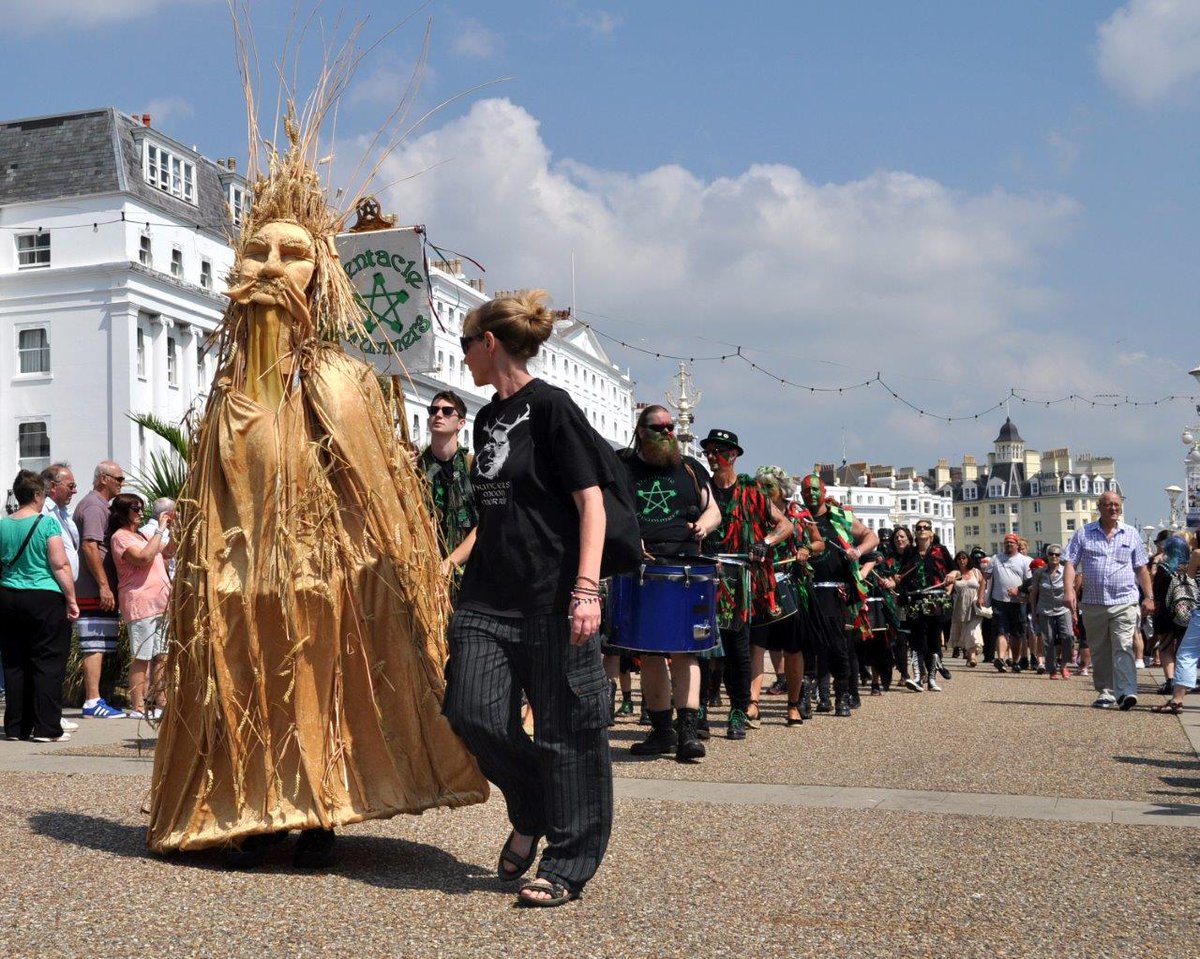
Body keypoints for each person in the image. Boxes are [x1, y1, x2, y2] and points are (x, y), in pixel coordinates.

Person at [147, 111, 488, 868]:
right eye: (257, 250)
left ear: (320, 270)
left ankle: (315, 808)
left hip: (313, 573)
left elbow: (375, 496)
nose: (270, 266)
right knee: (244, 684)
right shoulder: (228, 390)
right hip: (235, 580)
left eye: (292, 253)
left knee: (306, 683)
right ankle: (248, 807)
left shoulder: (338, 380)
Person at [443, 288, 613, 908]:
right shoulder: (486, 418)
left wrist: (586, 590)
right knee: (471, 712)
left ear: (490, 343)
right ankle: (535, 803)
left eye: (466, 344)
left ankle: (568, 863)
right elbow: (494, 513)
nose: (462, 357)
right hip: (488, 598)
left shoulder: (552, 408)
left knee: (568, 732)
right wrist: (451, 563)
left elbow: (589, 501)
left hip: (552, 597)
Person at [615, 405, 720, 760]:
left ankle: (688, 732)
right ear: (641, 430)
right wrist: (627, 539)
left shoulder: (690, 468)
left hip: (685, 562)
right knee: (650, 652)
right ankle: (661, 732)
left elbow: (714, 509)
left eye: (671, 426)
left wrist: (705, 525)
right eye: (659, 427)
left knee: (685, 649)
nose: (668, 432)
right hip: (645, 563)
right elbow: (607, 509)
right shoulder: (623, 467)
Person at [701, 429, 793, 737]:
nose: (713, 456)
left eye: (719, 451)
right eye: (710, 451)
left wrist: (764, 542)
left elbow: (785, 525)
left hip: (740, 583)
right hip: (707, 578)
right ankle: (697, 711)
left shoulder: (753, 491)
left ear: (734, 455)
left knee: (737, 651)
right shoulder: (702, 490)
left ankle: (738, 711)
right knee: (701, 648)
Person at [0, 470, 80, 742]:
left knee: (14, 662)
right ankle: (46, 728)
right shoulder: (47, 524)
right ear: (36, 495)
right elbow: (59, 564)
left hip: (9, 597)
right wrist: (71, 599)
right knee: (48, 662)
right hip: (44, 596)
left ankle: (15, 727)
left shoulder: (2, 525)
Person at [1064, 491, 1153, 710]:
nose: (1113, 508)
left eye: (1116, 504)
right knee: (1100, 649)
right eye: (1108, 504)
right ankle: (1106, 691)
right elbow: (1070, 563)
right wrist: (1069, 591)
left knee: (1123, 645)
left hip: (1124, 600)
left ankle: (1126, 691)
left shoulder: (1131, 534)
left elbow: (1141, 568)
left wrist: (1149, 596)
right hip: (1094, 603)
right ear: (1100, 507)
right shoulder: (1084, 533)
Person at [798, 472, 878, 715]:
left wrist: (858, 550)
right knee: (807, 646)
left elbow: (871, 537)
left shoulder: (839, 517)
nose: (811, 495)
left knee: (838, 646)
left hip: (837, 592)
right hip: (807, 590)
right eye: (806, 491)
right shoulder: (798, 519)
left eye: (815, 490)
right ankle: (805, 698)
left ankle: (842, 695)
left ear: (823, 492)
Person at [751, 465, 824, 726]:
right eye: (759, 486)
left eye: (768, 487)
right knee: (755, 646)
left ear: (781, 489)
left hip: (791, 584)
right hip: (761, 585)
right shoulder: (755, 513)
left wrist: (806, 549)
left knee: (793, 649)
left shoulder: (798, 513)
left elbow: (819, 542)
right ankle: (753, 703)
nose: (762, 491)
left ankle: (793, 705)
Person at [107, 494, 174, 719]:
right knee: (142, 656)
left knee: (161, 655)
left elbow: (170, 550)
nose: (140, 513)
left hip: (160, 603)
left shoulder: (143, 534)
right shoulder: (120, 538)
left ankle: (160, 702)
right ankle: (137, 706)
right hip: (140, 603)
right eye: (135, 509)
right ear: (123, 512)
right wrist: (159, 529)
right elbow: (144, 558)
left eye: (142, 509)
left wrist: (176, 528)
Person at [73, 461, 127, 719]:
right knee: (93, 643)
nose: (121, 483)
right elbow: (89, 547)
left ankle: (96, 697)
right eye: (118, 478)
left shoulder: (98, 505)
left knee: (100, 642)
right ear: (103, 479)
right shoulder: (94, 506)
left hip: (97, 587)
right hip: (93, 588)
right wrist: (104, 585)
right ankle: (92, 700)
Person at [418, 389, 478, 588]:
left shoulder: (473, 466)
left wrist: (449, 563)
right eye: (433, 410)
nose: (438, 414)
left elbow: (485, 524)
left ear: (461, 423)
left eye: (447, 411)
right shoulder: (416, 468)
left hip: (470, 574)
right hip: (424, 570)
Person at [898, 521, 954, 691]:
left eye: (925, 528)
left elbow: (954, 570)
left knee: (934, 639)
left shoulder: (940, 550)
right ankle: (917, 677)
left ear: (931, 532)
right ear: (915, 533)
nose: (922, 530)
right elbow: (901, 573)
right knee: (917, 639)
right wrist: (896, 579)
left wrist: (952, 574)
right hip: (915, 599)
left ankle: (931, 678)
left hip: (935, 599)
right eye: (919, 528)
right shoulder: (910, 552)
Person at [1151, 542, 1200, 715]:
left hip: (1196, 614)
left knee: (1187, 654)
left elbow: (1191, 577)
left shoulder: (1197, 554)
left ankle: (1177, 700)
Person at [981, 533, 1032, 673]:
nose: (1009, 545)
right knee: (1001, 631)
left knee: (1016, 633)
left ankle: (1015, 661)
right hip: (999, 600)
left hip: (1018, 602)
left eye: (1011, 542)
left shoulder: (1025, 561)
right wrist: (982, 597)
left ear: (1017, 544)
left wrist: (1019, 590)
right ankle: (1001, 659)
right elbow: (985, 578)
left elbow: (1030, 582)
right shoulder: (996, 559)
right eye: (1006, 542)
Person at [1150, 533, 1190, 695]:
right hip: (1185, 612)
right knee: (1184, 649)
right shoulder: (1189, 567)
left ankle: (1170, 681)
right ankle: (1184, 681)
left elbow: (1156, 590)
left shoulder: (1164, 568)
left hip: (1165, 613)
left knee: (1166, 648)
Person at [1030, 546, 1072, 679]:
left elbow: (1072, 592)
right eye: (1051, 554)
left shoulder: (1066, 571)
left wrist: (1074, 611)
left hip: (1063, 609)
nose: (1054, 556)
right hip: (1044, 609)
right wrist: (1033, 613)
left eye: (1057, 554)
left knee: (1068, 637)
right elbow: (1034, 594)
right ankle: (1052, 668)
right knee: (1048, 640)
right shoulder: (1039, 573)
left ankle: (1064, 665)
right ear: (1047, 555)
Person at [943, 551, 984, 668]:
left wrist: (981, 597)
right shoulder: (957, 573)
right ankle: (968, 653)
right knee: (964, 632)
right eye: (959, 559)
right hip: (960, 606)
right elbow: (950, 584)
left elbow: (983, 583)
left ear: (968, 559)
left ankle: (972, 657)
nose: (962, 561)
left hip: (974, 605)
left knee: (973, 631)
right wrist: (946, 593)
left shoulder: (976, 572)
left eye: (964, 558)